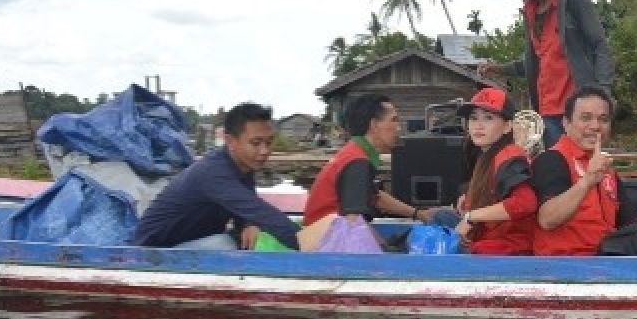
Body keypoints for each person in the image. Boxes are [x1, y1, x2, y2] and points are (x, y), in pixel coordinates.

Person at [478, 0, 614, 148]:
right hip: (547, 113)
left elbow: (600, 45)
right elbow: (535, 63)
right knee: (557, 170)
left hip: (578, 110)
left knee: (584, 168)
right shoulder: (529, 11)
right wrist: (499, 69)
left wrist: (603, 93)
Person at [133, 102, 298, 250]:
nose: (264, 151)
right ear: (230, 141)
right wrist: (310, 245)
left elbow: (249, 208)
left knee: (254, 236)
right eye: (256, 143)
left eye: (269, 142)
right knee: (226, 245)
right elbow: (264, 214)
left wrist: (249, 224)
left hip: (195, 239)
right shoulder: (214, 173)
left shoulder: (244, 166)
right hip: (155, 253)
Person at [532, 86, 637, 256]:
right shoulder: (551, 160)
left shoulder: (606, 168)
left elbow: (634, 223)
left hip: (605, 261)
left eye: (603, 119)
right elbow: (547, 220)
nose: (595, 126)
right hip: (564, 265)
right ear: (566, 123)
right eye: (586, 118)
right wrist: (588, 180)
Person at [303, 92, 441, 228]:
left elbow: (376, 197)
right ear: (374, 125)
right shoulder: (357, 162)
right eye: (394, 120)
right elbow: (353, 224)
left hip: (322, 235)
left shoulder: (353, 152)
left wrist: (420, 214)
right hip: (324, 243)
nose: (399, 128)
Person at [453, 87, 538, 255]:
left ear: (508, 127)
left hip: (511, 248)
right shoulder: (487, 155)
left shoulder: (509, 154)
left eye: (488, 118)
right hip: (492, 241)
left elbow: (525, 203)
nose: (478, 125)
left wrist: (471, 217)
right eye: (473, 118)